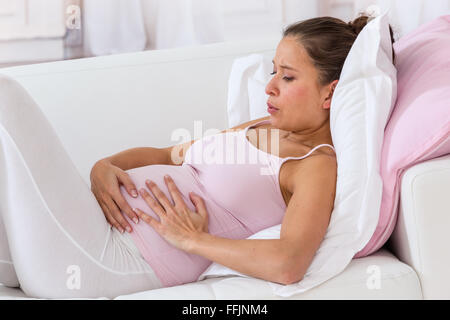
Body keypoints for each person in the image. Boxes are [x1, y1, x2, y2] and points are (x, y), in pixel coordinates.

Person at [0, 14, 395, 299]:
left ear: (330, 93)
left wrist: (193, 240)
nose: (270, 86)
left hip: (110, 259)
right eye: (273, 72)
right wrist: (104, 166)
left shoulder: (314, 166)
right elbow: (167, 155)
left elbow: (289, 263)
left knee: (5, 97)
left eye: (287, 77)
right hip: (89, 224)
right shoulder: (262, 127)